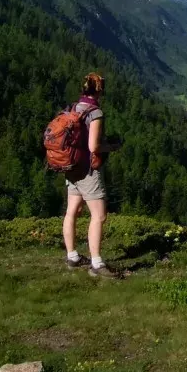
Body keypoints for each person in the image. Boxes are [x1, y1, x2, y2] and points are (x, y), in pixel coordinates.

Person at [63, 72, 120, 278]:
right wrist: (112, 147)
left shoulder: (74, 108)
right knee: (99, 215)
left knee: (72, 212)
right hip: (88, 170)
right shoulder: (95, 113)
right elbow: (93, 146)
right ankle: (96, 263)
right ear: (100, 91)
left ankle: (72, 256)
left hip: (72, 167)